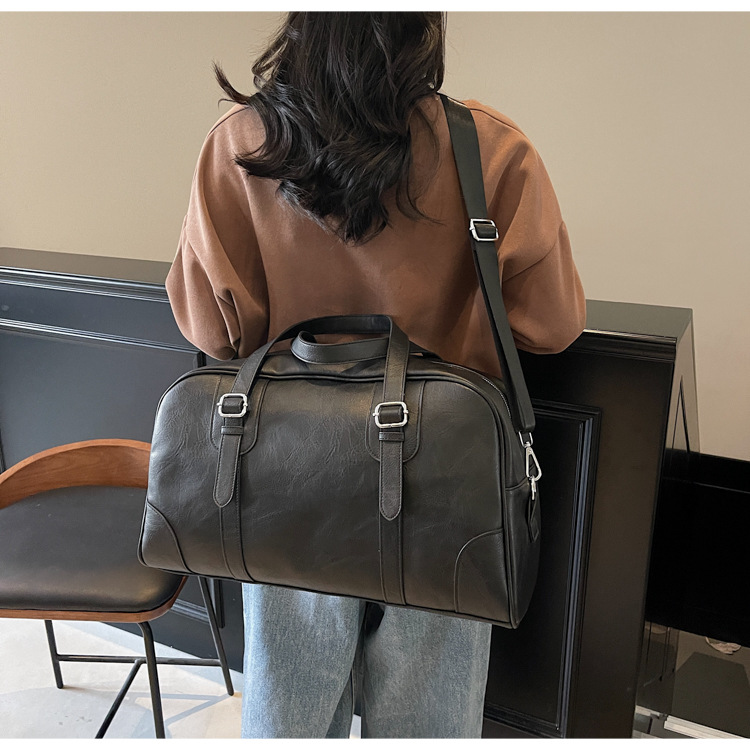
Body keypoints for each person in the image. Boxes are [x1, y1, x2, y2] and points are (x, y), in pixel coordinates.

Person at [165, 11, 586, 739]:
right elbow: (552, 324)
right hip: (445, 479)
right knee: (431, 717)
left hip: (285, 471)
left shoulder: (242, 144)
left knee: (288, 712)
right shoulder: (489, 148)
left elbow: (212, 329)